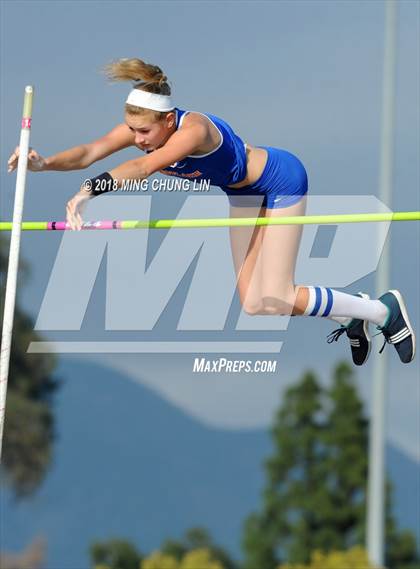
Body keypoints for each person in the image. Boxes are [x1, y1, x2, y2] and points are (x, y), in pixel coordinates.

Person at [7, 58, 415, 365]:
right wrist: (42, 164)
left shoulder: (194, 130)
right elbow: (87, 153)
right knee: (258, 304)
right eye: (131, 131)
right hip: (240, 195)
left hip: (279, 181)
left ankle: (382, 310)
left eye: (144, 132)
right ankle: (351, 316)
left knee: (279, 290)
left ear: (168, 120)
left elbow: (143, 168)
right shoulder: (142, 132)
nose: (137, 140)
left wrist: (87, 193)